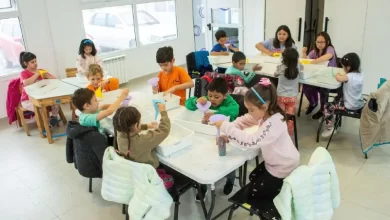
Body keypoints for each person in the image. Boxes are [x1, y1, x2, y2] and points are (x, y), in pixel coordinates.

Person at [212, 78, 300, 203]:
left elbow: (251, 141)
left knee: (256, 194)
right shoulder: (266, 113)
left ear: (264, 106)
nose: (249, 112)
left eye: (251, 109)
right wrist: (229, 133)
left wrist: (226, 126)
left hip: (283, 166)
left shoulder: (273, 123)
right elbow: (245, 120)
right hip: (275, 162)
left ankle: (272, 201)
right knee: (253, 177)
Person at [113, 104, 174, 189]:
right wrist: (163, 112)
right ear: (135, 125)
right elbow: (164, 130)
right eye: (139, 122)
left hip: (133, 173)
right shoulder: (141, 141)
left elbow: (129, 127)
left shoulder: (120, 132)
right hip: (147, 174)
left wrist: (146, 126)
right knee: (170, 179)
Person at [321, 53, 364, 138]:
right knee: (338, 97)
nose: (343, 69)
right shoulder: (360, 73)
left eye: (343, 67)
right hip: (359, 103)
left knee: (327, 105)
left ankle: (330, 128)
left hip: (349, 106)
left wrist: (338, 74)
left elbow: (339, 78)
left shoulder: (349, 76)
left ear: (348, 67)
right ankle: (333, 121)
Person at [301, 32, 338, 119]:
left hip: (329, 78)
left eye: (322, 42)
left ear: (327, 42)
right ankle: (313, 103)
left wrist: (313, 62)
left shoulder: (330, 49)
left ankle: (322, 109)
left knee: (323, 89)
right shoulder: (314, 51)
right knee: (306, 85)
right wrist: (303, 52)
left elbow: (327, 56)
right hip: (316, 77)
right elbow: (305, 60)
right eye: (318, 42)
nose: (320, 44)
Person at [19, 52, 60, 127]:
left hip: (42, 96)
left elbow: (55, 79)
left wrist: (48, 76)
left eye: (35, 61)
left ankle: (54, 117)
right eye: (32, 62)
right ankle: (46, 123)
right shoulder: (24, 73)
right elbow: (26, 83)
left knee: (56, 101)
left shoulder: (41, 70)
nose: (35, 63)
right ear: (25, 63)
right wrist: (36, 74)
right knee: (40, 107)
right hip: (28, 100)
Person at [274, 48, 302, 137]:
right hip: (292, 97)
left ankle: (279, 134)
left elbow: (275, 74)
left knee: (281, 116)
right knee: (290, 117)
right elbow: (302, 68)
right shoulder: (298, 66)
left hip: (281, 96)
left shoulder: (281, 67)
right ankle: (288, 135)